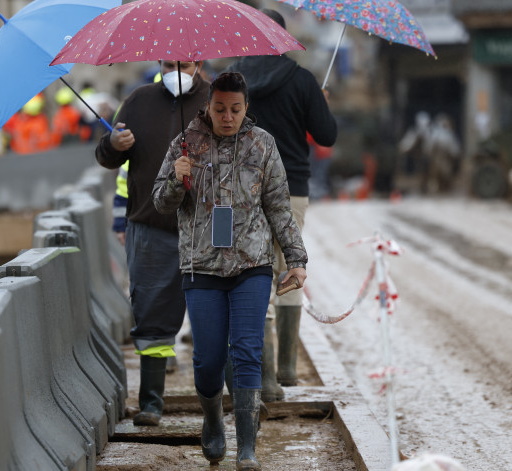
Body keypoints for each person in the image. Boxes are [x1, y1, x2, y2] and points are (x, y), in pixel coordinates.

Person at [153, 72, 308, 470]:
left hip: (251, 266)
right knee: (206, 361)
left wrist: (296, 260)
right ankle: (211, 418)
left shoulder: (263, 145)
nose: (227, 116)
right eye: (219, 108)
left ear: (246, 108)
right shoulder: (185, 145)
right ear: (208, 105)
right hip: (201, 267)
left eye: (235, 109)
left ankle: (247, 446)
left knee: (246, 352)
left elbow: (279, 207)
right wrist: (176, 179)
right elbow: (160, 203)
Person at [226, 8, 337, 402]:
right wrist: (317, 104)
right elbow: (326, 136)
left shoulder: (230, 83)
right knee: (290, 269)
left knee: (255, 275)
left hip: (244, 192)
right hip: (292, 190)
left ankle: (267, 379)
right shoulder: (302, 80)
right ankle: (288, 366)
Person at [95, 59, 208, 426]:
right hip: (150, 227)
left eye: (184, 63)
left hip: (207, 230)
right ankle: (152, 402)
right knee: (151, 314)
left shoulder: (217, 100)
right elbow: (108, 158)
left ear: (199, 62)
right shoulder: (138, 102)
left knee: (215, 317)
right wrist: (113, 144)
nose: (175, 69)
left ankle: (221, 404)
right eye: (167, 63)